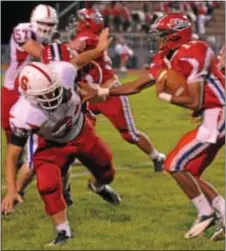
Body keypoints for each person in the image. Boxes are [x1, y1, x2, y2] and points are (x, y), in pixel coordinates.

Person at [83, 13, 225, 241]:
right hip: (211, 115)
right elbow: (139, 84)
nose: (158, 40)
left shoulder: (194, 51)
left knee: (175, 163)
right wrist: (103, 92)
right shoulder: (166, 56)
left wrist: (165, 96)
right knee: (191, 171)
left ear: (176, 35)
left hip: (218, 114)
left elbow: (195, 101)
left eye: (163, 36)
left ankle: (205, 212)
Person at [1, 28, 121, 246]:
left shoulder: (63, 72)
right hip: (51, 145)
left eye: (53, 89)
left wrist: (100, 49)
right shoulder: (23, 113)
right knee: (46, 185)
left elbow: (79, 60)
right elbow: (12, 156)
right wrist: (11, 189)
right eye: (45, 95)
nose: (53, 95)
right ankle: (63, 231)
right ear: (30, 97)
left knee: (107, 171)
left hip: (81, 132)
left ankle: (100, 186)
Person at [73, 8, 166, 172]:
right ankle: (76, 155)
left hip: (109, 93)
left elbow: (75, 46)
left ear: (88, 23)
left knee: (130, 134)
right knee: (74, 121)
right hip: (92, 94)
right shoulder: (93, 38)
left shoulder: (88, 38)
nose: (78, 23)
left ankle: (156, 156)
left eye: (81, 20)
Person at [1, 4, 60, 201]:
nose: (46, 28)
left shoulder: (52, 39)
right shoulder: (23, 29)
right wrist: (66, 50)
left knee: (42, 141)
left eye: (50, 24)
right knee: (12, 141)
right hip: (13, 91)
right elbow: (42, 54)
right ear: (34, 21)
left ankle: (60, 189)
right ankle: (15, 182)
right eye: (43, 23)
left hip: (35, 94)